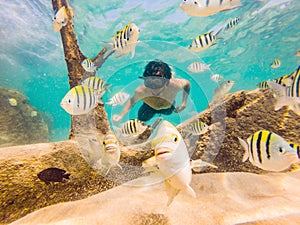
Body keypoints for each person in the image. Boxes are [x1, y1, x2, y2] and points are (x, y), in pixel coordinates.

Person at [112, 60, 190, 122]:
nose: (153, 87)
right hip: (148, 107)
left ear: (166, 82)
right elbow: (132, 101)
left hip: (168, 107)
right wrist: (121, 115)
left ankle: (169, 72)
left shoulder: (174, 85)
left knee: (169, 112)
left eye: (158, 83)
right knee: (142, 118)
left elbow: (187, 84)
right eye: (149, 82)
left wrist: (184, 103)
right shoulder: (141, 91)